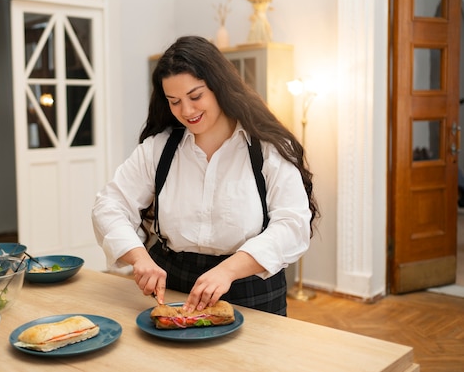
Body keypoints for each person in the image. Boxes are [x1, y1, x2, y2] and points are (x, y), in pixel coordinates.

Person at [92, 35, 319, 316]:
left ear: (219, 87)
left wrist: (228, 270)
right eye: (174, 101)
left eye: (195, 96)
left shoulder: (268, 149)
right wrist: (139, 258)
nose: (186, 111)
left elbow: (292, 224)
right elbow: (108, 206)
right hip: (173, 283)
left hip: (249, 285)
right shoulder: (158, 149)